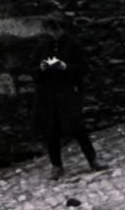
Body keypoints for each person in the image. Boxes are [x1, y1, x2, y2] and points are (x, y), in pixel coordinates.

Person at [33, 15, 108, 180]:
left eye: (56, 30)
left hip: (67, 91)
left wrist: (65, 67)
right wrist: (41, 68)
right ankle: (56, 166)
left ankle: (93, 160)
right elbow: (32, 70)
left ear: (62, 28)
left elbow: (84, 68)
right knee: (50, 130)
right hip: (47, 94)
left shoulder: (73, 44)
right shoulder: (42, 45)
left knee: (77, 127)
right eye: (50, 30)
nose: (53, 33)